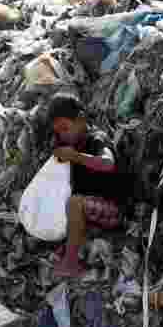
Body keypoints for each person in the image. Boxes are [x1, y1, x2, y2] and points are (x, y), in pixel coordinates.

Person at [45, 94, 123, 278]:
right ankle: (75, 252)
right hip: (90, 210)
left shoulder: (96, 139)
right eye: (59, 132)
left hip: (113, 209)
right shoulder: (69, 143)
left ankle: (71, 264)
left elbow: (108, 163)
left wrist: (76, 157)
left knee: (74, 203)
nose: (63, 134)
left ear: (80, 119)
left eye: (65, 128)